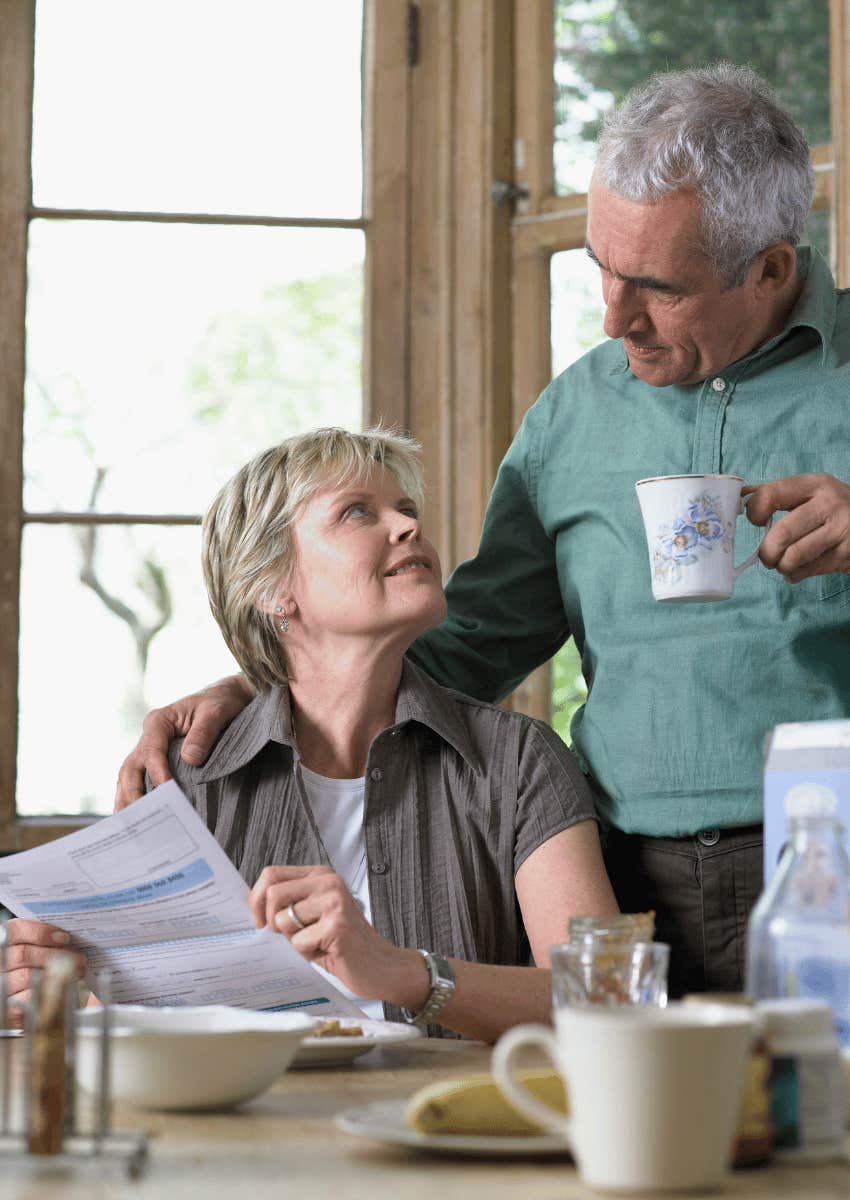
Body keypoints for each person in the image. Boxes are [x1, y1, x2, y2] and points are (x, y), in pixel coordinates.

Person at [117, 64, 850, 998]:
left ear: (771, 268)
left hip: (834, 871)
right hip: (618, 878)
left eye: (655, 287)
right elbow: (465, 643)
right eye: (601, 270)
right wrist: (258, 681)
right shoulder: (575, 412)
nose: (613, 316)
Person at [5, 428, 617, 1039]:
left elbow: (605, 996)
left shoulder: (519, 760)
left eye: (406, 509)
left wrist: (405, 973)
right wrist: (65, 986)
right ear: (272, 590)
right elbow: (135, 1015)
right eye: (358, 513)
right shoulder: (184, 779)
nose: (407, 527)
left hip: (448, 1125)